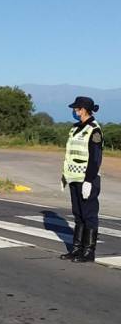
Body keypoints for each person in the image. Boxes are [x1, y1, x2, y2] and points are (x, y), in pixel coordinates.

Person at [60, 96, 103, 262]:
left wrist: (89, 180)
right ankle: (77, 248)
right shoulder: (75, 128)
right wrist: (65, 175)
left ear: (83, 110)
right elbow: (70, 154)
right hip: (73, 178)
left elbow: (95, 158)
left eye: (76, 109)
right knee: (78, 214)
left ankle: (89, 251)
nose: (74, 111)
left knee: (89, 215)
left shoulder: (94, 130)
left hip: (87, 179)